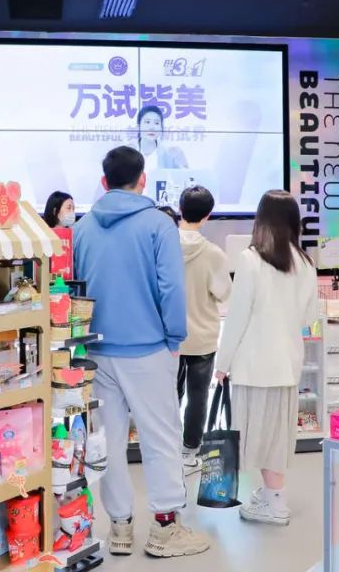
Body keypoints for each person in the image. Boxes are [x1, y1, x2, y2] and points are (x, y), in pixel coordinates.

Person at [73, 146, 209, 558]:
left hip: (96, 350)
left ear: (104, 182)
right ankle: (165, 528)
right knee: (161, 437)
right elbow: (171, 288)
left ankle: (119, 526)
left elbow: (76, 287)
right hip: (149, 349)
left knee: (108, 441)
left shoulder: (82, 228)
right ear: (143, 179)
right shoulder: (158, 225)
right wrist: (174, 339)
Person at [215, 190, 319, 525]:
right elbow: (309, 317)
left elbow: (237, 318)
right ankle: (273, 495)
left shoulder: (250, 259)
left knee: (256, 435)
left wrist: (222, 363)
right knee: (276, 436)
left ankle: (274, 503)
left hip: (254, 364)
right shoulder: (305, 263)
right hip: (287, 363)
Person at [176, 186, 232, 475]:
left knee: (167, 395)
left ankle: (166, 448)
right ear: (208, 215)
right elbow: (224, 293)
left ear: (179, 209)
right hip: (202, 335)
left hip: (169, 336)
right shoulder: (213, 253)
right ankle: (189, 452)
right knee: (198, 395)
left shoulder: (162, 246)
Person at [131, 105, 188, 171]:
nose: (152, 127)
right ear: (138, 126)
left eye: (157, 123)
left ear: (161, 127)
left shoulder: (170, 153)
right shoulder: (128, 151)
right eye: (147, 122)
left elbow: (187, 175)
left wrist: (181, 162)